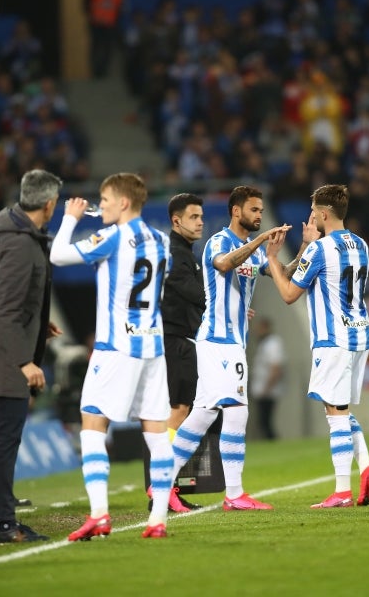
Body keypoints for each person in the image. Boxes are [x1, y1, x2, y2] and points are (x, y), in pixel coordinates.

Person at [51, 172, 175, 540]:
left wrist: (70, 217)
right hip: (153, 345)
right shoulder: (162, 241)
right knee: (156, 431)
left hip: (116, 347)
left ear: (123, 202)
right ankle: (158, 520)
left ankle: (100, 515)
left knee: (92, 423)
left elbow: (58, 255)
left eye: (104, 200)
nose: (99, 206)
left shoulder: (112, 236)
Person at [170, 185, 302, 511]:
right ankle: (234, 493)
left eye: (261, 211)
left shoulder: (252, 251)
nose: (259, 216)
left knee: (201, 415)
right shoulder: (219, 241)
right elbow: (224, 265)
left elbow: (282, 273)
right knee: (237, 411)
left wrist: (305, 248)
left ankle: (161, 481)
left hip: (231, 343)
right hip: (218, 341)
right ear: (236, 211)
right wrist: (260, 241)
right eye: (254, 210)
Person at [263, 184, 369, 509]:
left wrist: (274, 259)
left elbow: (288, 294)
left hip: (333, 339)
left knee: (335, 414)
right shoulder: (361, 245)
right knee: (341, 409)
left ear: (324, 213)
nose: (311, 215)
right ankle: (367, 469)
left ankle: (342, 491)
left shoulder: (320, 250)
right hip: (360, 335)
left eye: (314, 210)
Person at [0, 169, 62, 544]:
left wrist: (40, 324)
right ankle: (4, 524)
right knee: (4, 440)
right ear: (49, 203)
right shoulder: (21, 244)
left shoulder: (14, 234)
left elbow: (13, 300)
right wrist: (25, 360)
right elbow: (5, 310)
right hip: (5, 358)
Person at [154, 192, 206, 513]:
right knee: (178, 410)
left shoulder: (185, 252)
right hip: (174, 340)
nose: (200, 222)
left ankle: (165, 486)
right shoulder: (176, 254)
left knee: (180, 411)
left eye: (201, 216)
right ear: (177, 221)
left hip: (179, 339)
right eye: (194, 217)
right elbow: (195, 293)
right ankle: (162, 487)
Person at [250, 317, 286, 440]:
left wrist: (267, 388)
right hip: (261, 389)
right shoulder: (263, 343)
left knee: (265, 421)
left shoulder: (273, 343)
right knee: (263, 421)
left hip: (268, 390)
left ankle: (273, 443)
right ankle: (271, 443)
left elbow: (276, 368)